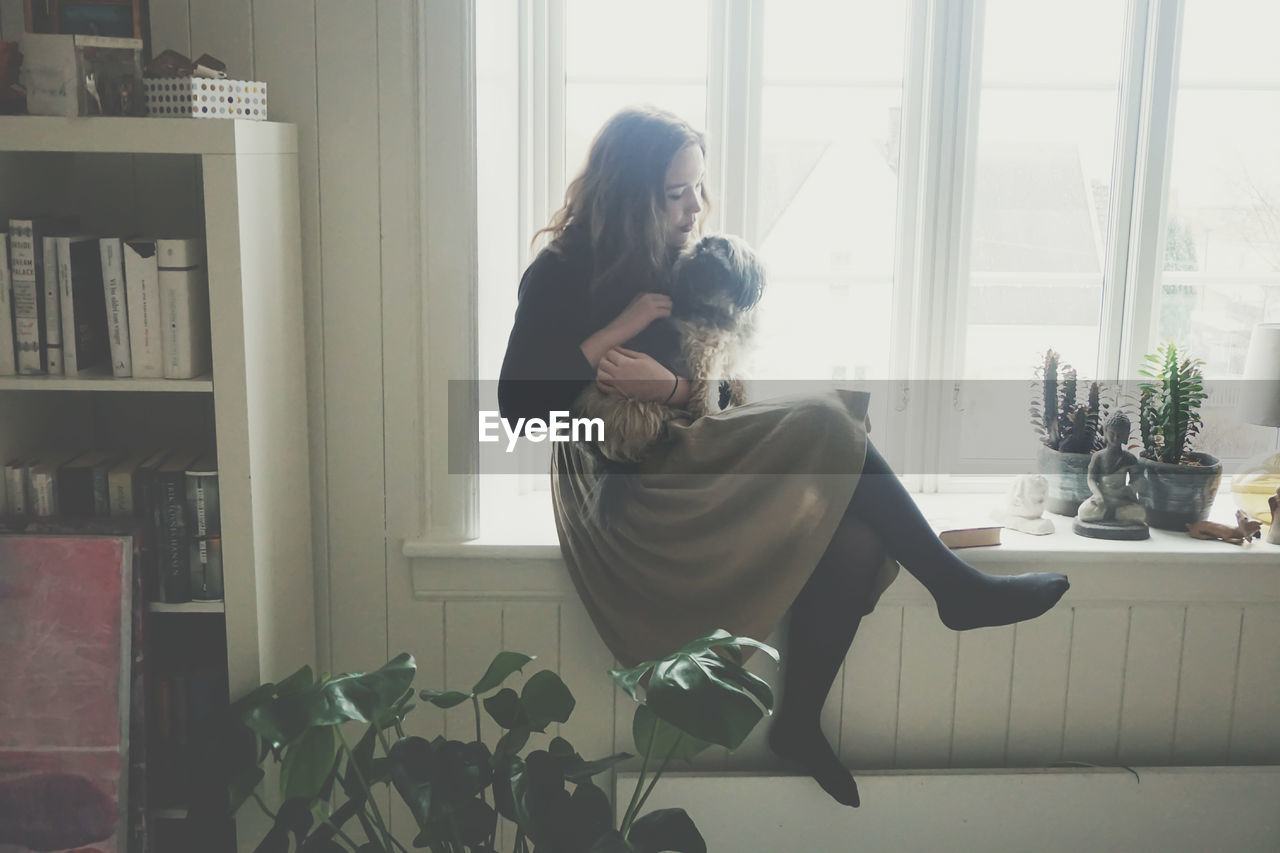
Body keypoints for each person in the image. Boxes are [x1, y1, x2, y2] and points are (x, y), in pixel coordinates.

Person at [498, 106, 1070, 809]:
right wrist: (616, 339)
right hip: (620, 488)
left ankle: (798, 721)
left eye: (697, 188)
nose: (693, 208)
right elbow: (519, 413)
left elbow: (728, 384)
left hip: (690, 449)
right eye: (675, 194)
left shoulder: (688, 261)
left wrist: (671, 384)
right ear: (626, 194)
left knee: (856, 533)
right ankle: (953, 587)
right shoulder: (560, 270)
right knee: (830, 420)